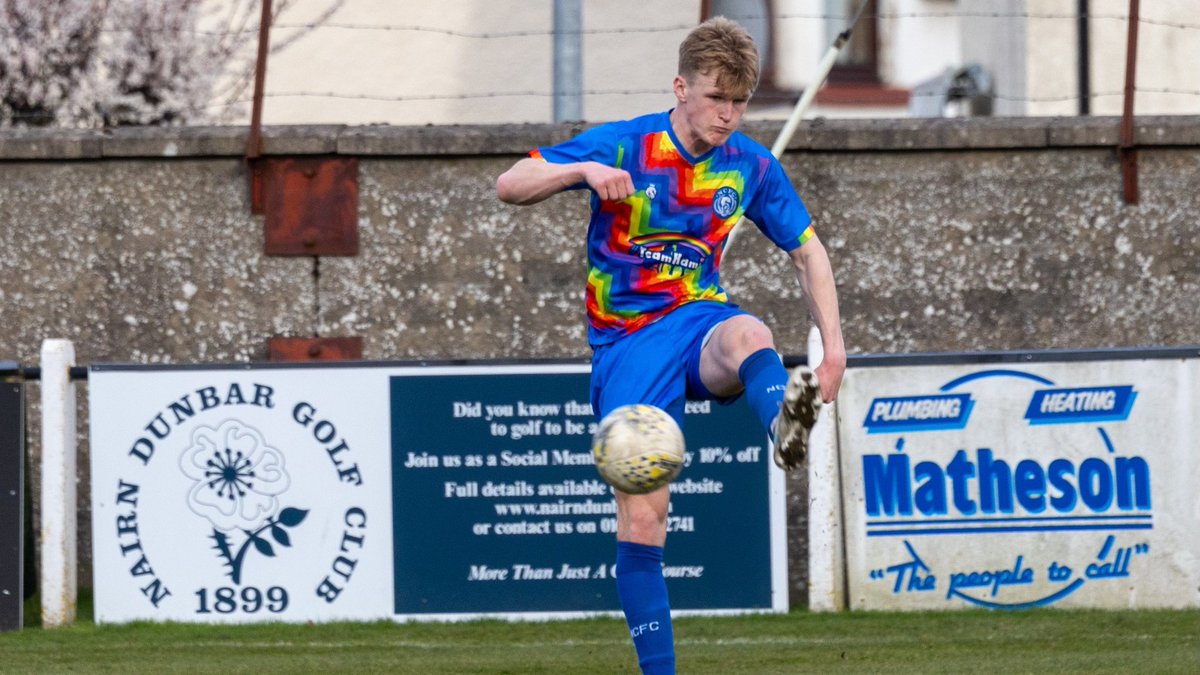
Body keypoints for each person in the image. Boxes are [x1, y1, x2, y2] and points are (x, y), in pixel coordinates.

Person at [495, 16, 845, 675]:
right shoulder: (626, 146)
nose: (729, 115)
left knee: (750, 332)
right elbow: (509, 184)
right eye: (717, 99)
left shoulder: (749, 165)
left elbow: (809, 253)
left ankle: (782, 423)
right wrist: (584, 173)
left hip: (697, 322)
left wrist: (834, 353)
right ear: (681, 87)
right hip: (628, 341)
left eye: (740, 102)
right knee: (646, 518)